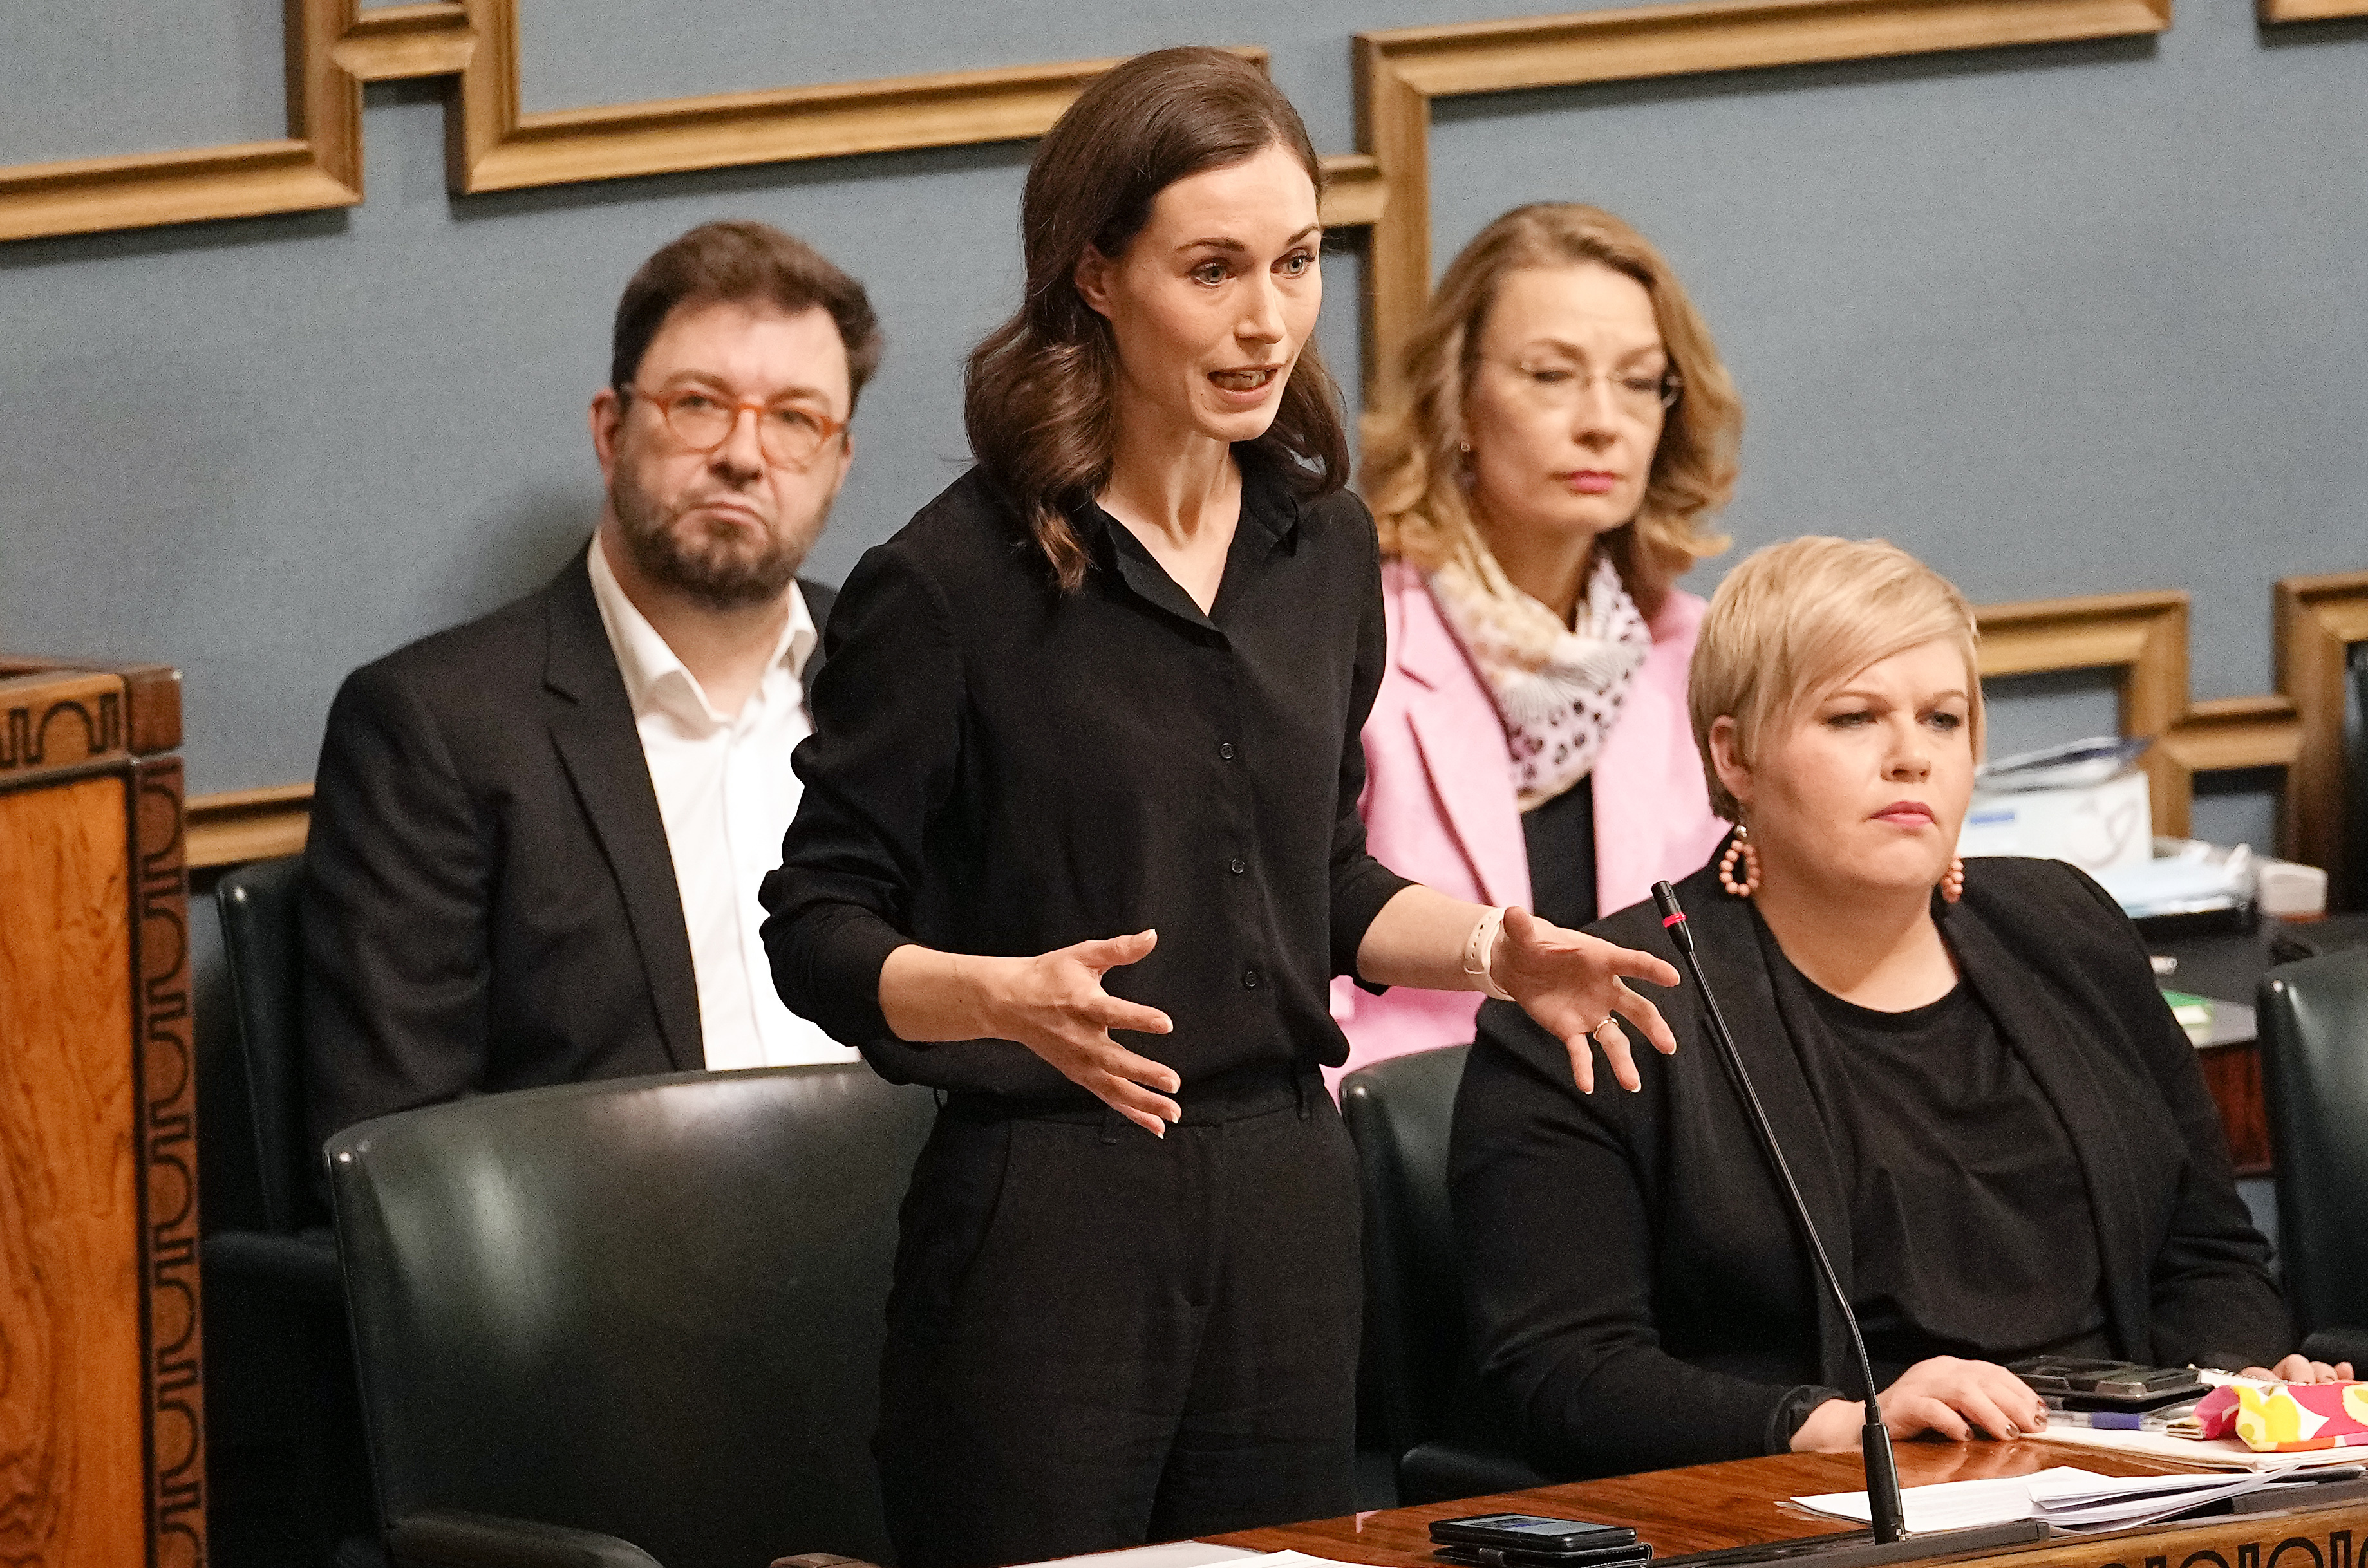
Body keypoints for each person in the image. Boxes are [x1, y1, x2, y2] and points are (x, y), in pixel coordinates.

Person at [760, 48, 1684, 1568]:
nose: (1267, 318)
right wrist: (994, 997)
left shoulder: (1321, 546)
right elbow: (814, 925)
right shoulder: (948, 585)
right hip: (1050, 1211)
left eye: (1298, 262)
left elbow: (1318, 879)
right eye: (1212, 269)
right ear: (1098, 277)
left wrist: (1502, 956)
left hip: (1284, 1201)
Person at [1450, 536, 2351, 1482]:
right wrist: (1842, 1422)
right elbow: (1560, 1373)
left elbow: (2206, 1254)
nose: (1909, 757)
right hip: (1818, 1510)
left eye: (1942, 719)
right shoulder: (1600, 1003)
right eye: (1852, 719)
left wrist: (2239, 1385)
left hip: (2127, 1487)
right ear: (1736, 756)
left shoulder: (2067, 929)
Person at [303, 220, 877, 1155]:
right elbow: (400, 1157)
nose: (743, 452)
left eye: (794, 419)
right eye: (700, 404)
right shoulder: (435, 727)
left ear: (838, 463)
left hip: (919, 1253)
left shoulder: (904, 675)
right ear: (611, 431)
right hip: (628, 1279)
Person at [1332, 205, 1741, 1087]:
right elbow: (1288, 961)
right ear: (1459, 402)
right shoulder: (1348, 642)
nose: (1603, 422)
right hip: (1406, 1148)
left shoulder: (1701, 653)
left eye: (1638, 382)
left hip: (1654, 1128)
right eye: (1552, 374)